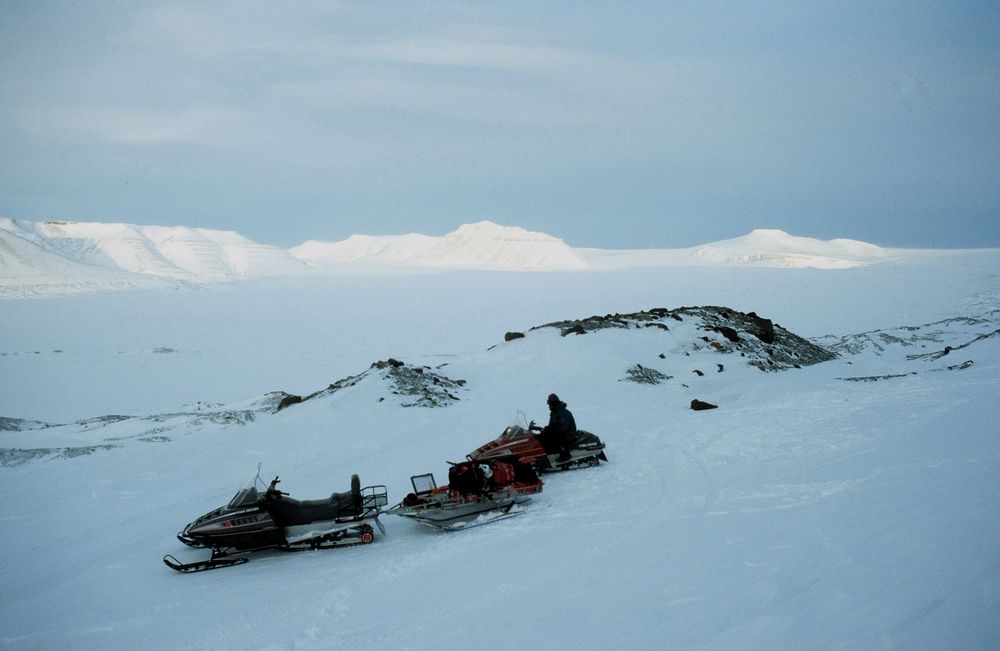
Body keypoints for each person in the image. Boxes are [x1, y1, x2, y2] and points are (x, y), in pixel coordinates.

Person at [538, 393, 577, 462]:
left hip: (568, 434)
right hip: (561, 432)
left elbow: (562, 428)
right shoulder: (555, 412)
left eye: (550, 404)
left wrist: (550, 430)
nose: (549, 406)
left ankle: (565, 454)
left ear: (554, 403)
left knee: (553, 438)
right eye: (549, 404)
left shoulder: (563, 412)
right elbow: (552, 425)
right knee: (542, 436)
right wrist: (546, 429)